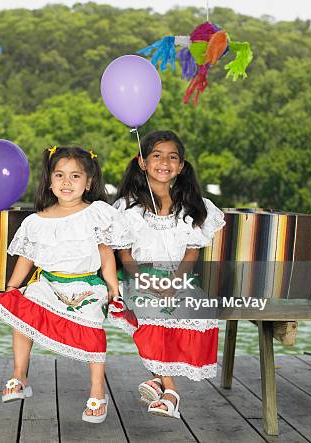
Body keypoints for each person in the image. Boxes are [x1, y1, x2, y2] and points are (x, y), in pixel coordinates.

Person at [0, 146, 132, 423]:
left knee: (91, 322)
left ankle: (98, 390)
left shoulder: (96, 213)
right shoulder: (36, 222)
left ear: (88, 183)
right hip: (50, 283)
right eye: (60, 175)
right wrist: (12, 287)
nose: (67, 182)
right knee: (22, 308)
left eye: (75, 176)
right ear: (50, 181)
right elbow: (26, 259)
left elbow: (105, 254)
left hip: (87, 284)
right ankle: (19, 375)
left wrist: (112, 286)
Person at [110, 130, 225, 418]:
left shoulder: (191, 206)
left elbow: (192, 251)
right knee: (152, 311)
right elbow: (125, 255)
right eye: (156, 156)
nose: (164, 162)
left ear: (182, 166)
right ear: (142, 162)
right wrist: (146, 280)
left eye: (172, 157)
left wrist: (175, 281)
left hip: (180, 277)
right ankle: (171, 390)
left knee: (190, 308)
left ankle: (157, 379)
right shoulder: (127, 207)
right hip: (140, 278)